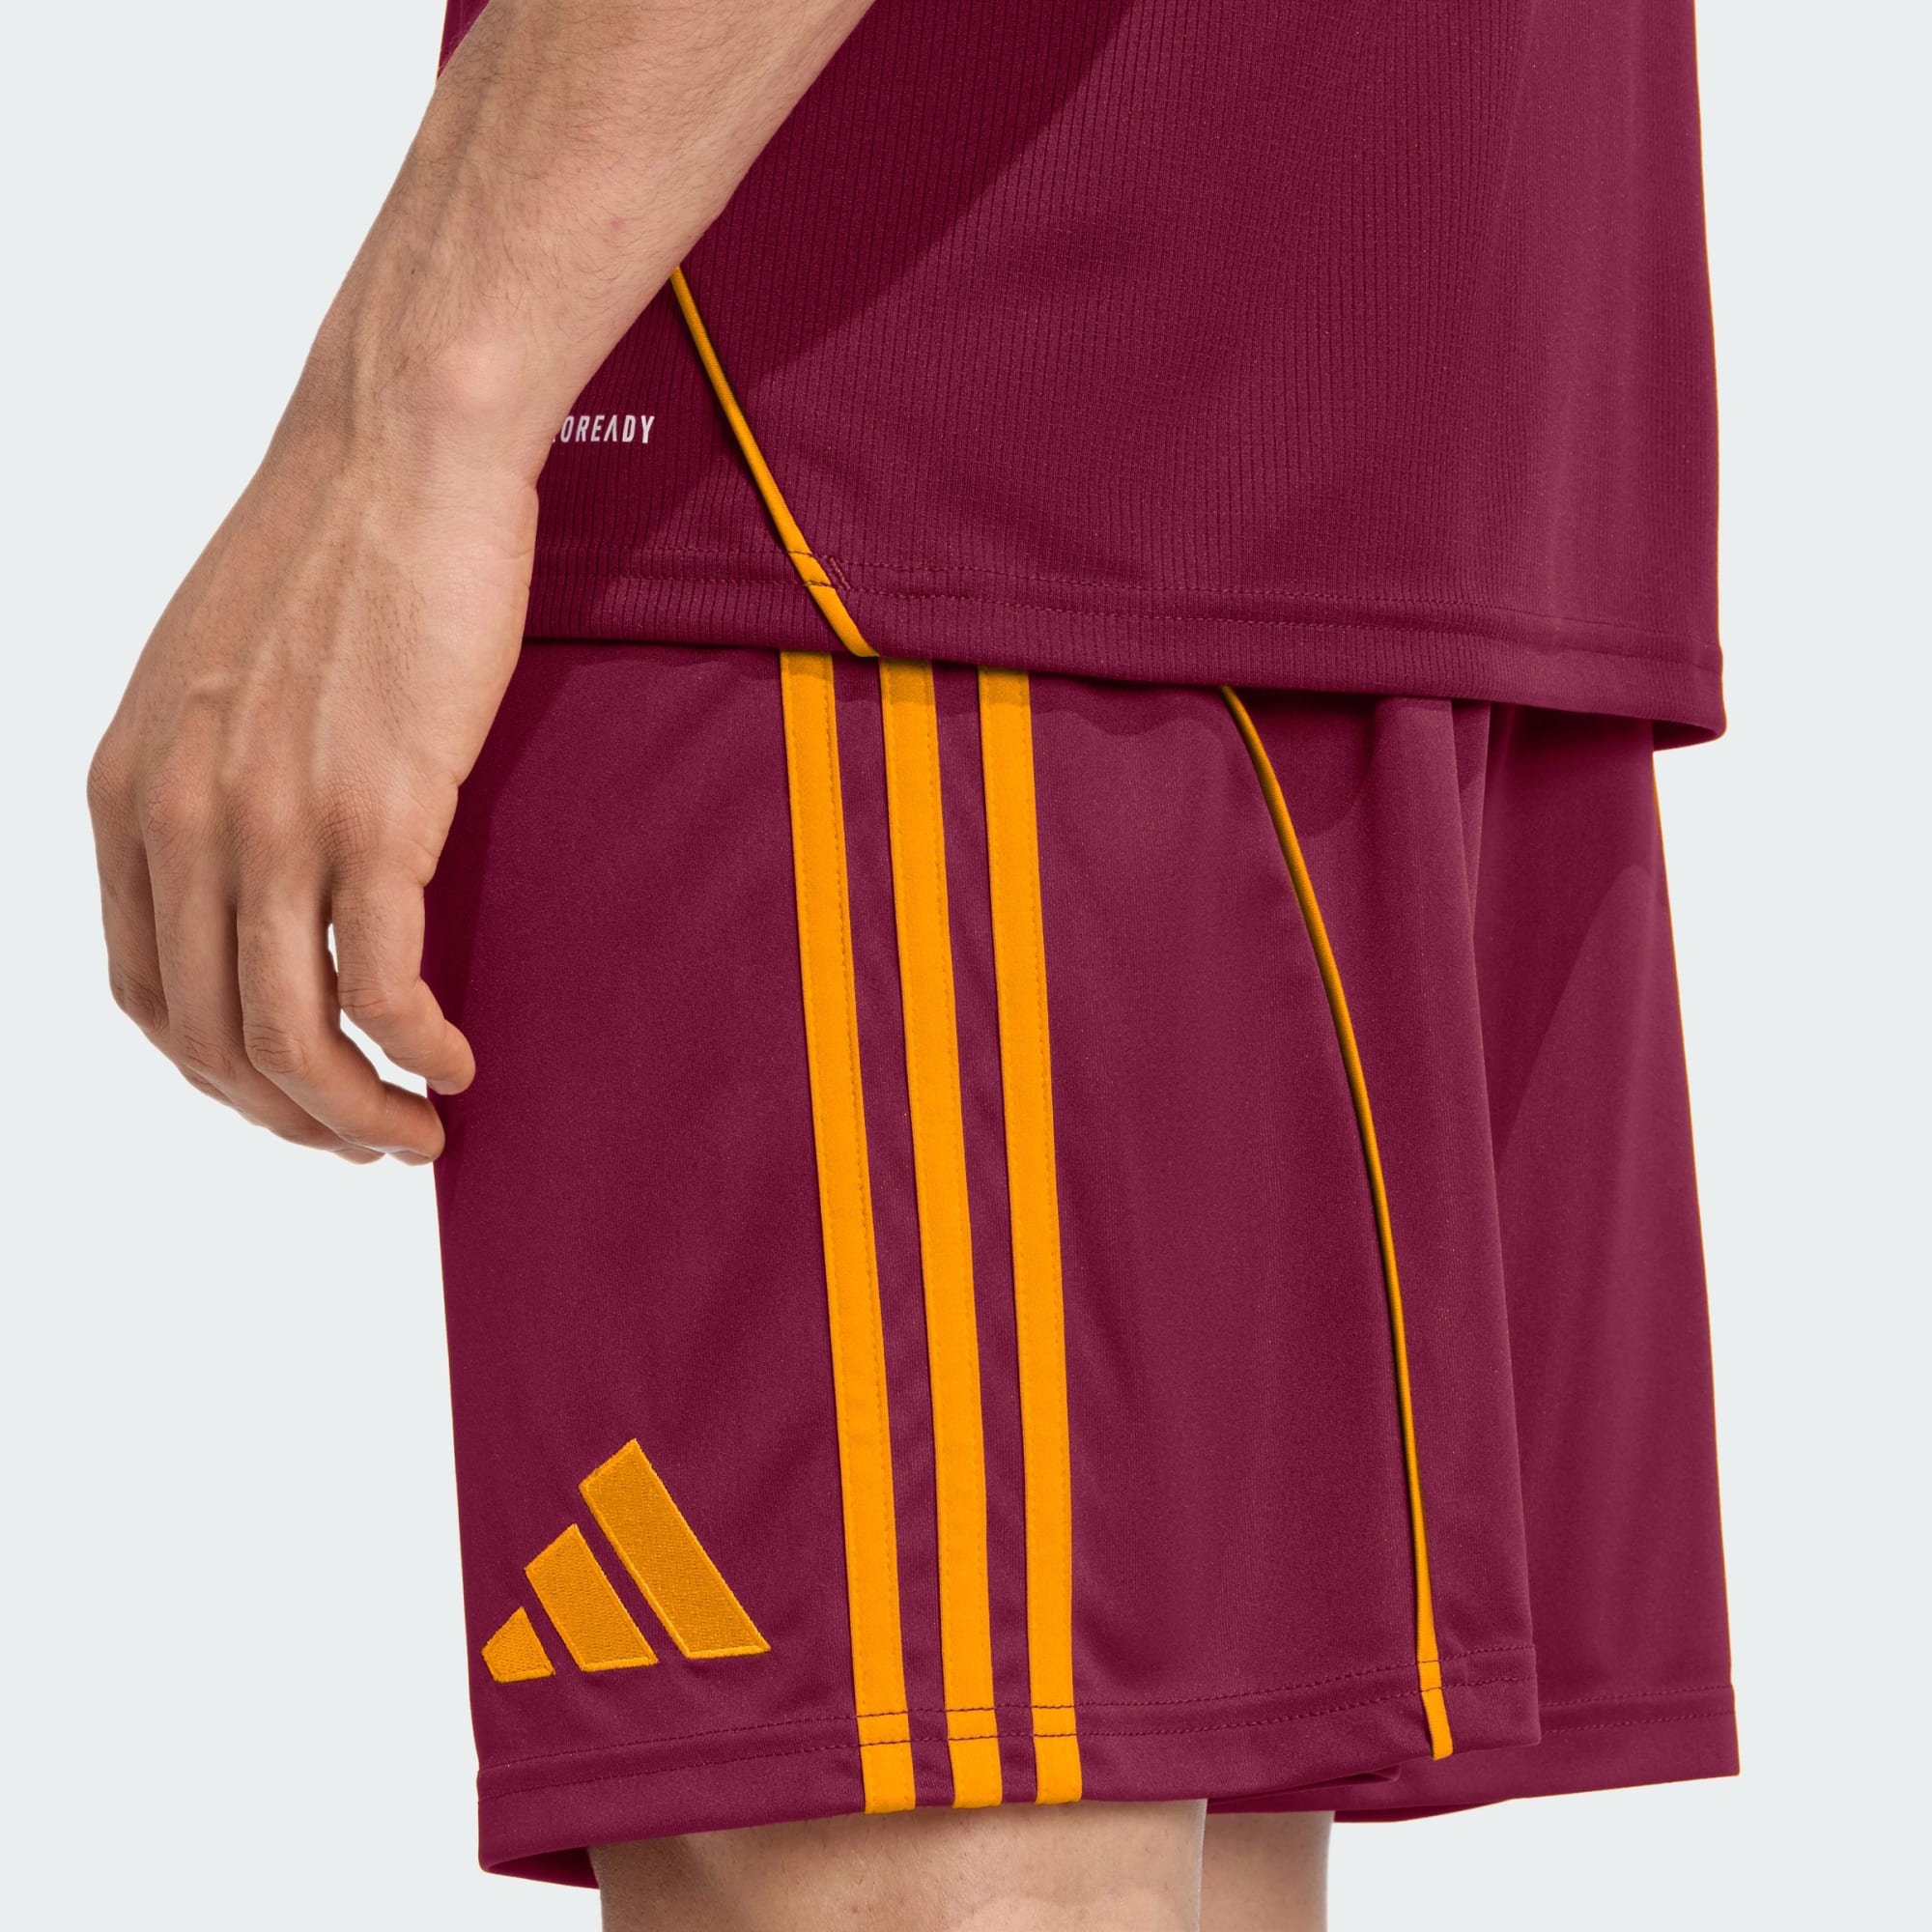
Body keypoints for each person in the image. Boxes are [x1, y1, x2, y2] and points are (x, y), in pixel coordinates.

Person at [84, 1, 1736, 1925]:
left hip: (878, 455)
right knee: (1116, 1830)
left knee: (934, 1852)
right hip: (1363, 393)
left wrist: (405, 422)